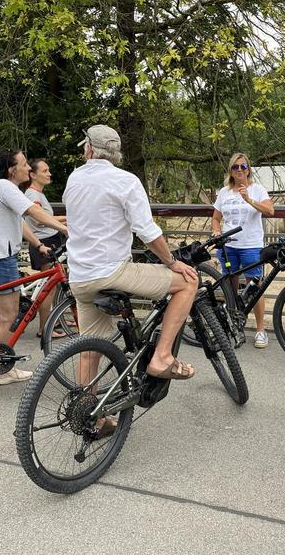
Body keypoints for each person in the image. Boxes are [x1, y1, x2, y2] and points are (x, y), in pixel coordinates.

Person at [63, 124, 199, 386]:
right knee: (188, 282)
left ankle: (88, 408)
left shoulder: (74, 178)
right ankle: (162, 357)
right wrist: (171, 262)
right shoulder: (126, 181)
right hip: (112, 273)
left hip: (80, 277)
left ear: (89, 149)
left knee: (90, 350)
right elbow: (147, 232)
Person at [0, 148, 69, 385]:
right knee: (10, 316)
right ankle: (3, 368)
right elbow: (33, 212)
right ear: (11, 169)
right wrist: (64, 228)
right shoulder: (5, 187)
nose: (28, 168)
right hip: (1, 259)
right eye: (24, 164)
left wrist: (38, 244)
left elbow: (20, 222)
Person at [210, 153, 274, 348]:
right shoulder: (224, 192)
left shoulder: (257, 189)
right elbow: (216, 218)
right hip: (229, 246)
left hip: (251, 246)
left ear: (248, 169)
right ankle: (233, 326)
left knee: (255, 287)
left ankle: (261, 330)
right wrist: (216, 231)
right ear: (231, 170)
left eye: (243, 166)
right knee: (230, 288)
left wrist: (249, 199)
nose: (239, 170)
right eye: (235, 167)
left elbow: (270, 211)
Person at [20, 158, 68, 339]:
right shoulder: (33, 195)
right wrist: (67, 219)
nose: (49, 174)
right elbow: (39, 220)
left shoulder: (38, 194)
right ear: (33, 175)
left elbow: (45, 218)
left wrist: (65, 220)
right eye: (45, 171)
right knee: (49, 286)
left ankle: (55, 320)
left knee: (54, 284)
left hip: (49, 239)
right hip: (44, 241)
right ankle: (44, 328)